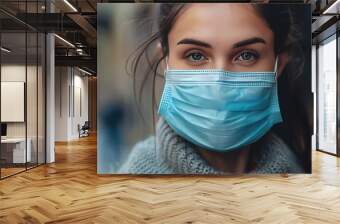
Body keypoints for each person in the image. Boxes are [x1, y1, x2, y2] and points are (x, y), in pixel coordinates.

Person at [120, 3, 308, 174]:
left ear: (279, 65)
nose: (219, 86)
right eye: (195, 56)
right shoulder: (129, 191)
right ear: (165, 62)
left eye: (246, 55)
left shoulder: (297, 175)